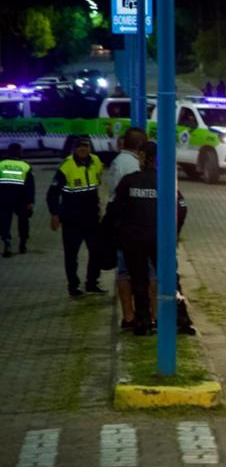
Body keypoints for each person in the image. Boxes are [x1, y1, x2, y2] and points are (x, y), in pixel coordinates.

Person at [106, 142, 193, 335]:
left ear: (143, 158)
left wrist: (118, 233)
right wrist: (173, 233)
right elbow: (182, 207)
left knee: (139, 280)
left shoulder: (129, 181)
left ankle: (143, 321)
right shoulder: (167, 182)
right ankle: (181, 318)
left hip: (134, 240)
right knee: (170, 279)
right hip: (160, 240)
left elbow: (115, 210)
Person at [47, 137, 105, 296]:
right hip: (72, 220)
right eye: (79, 147)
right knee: (71, 255)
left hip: (92, 218)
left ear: (90, 148)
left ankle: (92, 283)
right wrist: (55, 213)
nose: (83, 149)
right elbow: (52, 193)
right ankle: (73, 286)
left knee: (96, 252)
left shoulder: (96, 161)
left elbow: (98, 178)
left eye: (86, 146)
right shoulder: (66, 167)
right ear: (74, 149)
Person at [105, 128, 146, 329]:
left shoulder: (117, 162)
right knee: (131, 271)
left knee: (123, 272)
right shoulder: (131, 164)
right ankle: (133, 315)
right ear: (139, 146)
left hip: (119, 221)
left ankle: (128, 316)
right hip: (130, 224)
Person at [0, 143, 35, 258]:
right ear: (20, 152)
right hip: (21, 199)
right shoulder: (25, 166)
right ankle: (23, 244)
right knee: (23, 222)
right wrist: (31, 202)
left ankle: (7, 242)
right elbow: (30, 186)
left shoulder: (1, 164)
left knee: (5, 221)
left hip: (4, 198)